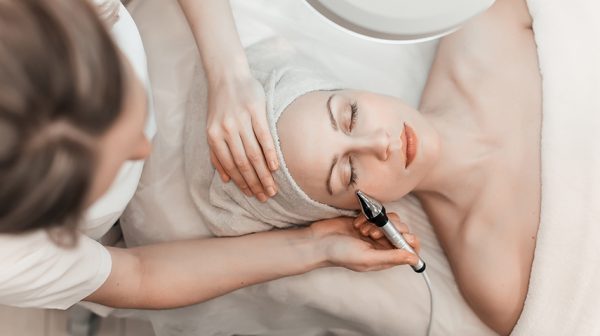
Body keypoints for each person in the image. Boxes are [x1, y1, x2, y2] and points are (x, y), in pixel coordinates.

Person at [0, 0, 419, 314]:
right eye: (345, 171)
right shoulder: (11, 260)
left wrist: (229, 72)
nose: (144, 147)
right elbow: (138, 275)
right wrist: (316, 246)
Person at [255, 0, 539, 334]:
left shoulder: (484, 23)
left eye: (351, 116)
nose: (380, 144)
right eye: (350, 172)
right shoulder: (496, 279)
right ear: (356, 213)